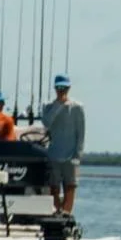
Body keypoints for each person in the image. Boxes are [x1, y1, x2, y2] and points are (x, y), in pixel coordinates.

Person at [41, 74, 86, 214]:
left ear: (69, 88)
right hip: (54, 154)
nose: (62, 91)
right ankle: (56, 212)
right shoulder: (48, 106)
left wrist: (78, 154)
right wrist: (58, 106)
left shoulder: (77, 108)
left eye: (64, 88)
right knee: (53, 186)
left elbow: (81, 132)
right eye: (59, 88)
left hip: (71, 155)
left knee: (70, 186)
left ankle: (66, 214)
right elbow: (46, 123)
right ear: (55, 88)